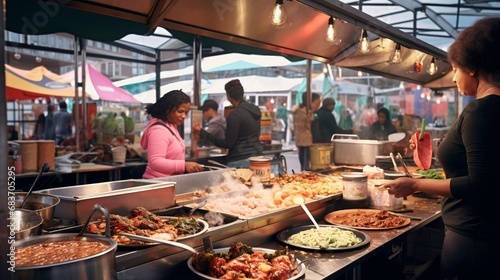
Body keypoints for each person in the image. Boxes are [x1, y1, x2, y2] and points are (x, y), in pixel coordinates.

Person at [383, 17, 500, 280]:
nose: (455, 78)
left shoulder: (479, 111)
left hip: (473, 241)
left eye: (456, 69)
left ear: (471, 67)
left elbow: (478, 183)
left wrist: (416, 185)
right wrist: (430, 148)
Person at [194, 79, 262, 168]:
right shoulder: (255, 111)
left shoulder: (235, 115)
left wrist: (203, 133)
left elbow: (228, 144)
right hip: (257, 159)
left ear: (228, 96)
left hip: (240, 161)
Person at [141, 90, 203, 178]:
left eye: (186, 113)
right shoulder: (159, 130)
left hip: (168, 181)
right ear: (168, 109)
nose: (184, 116)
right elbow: (155, 162)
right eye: (180, 111)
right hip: (157, 182)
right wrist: (184, 165)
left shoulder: (171, 126)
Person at [293, 93, 321, 171]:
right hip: (306, 140)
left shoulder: (298, 110)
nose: (318, 106)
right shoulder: (306, 112)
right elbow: (310, 122)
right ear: (310, 102)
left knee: (303, 162)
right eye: (317, 103)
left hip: (300, 139)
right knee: (306, 165)